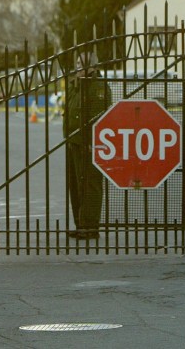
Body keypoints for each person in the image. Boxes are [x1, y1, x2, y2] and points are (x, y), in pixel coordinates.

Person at [63, 50, 111, 239]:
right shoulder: (75, 85)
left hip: (89, 144)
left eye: (80, 65)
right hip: (73, 141)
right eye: (76, 64)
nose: (76, 69)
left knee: (90, 184)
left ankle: (91, 226)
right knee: (75, 185)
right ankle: (81, 223)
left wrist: (93, 141)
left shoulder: (98, 86)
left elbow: (100, 117)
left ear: (91, 67)